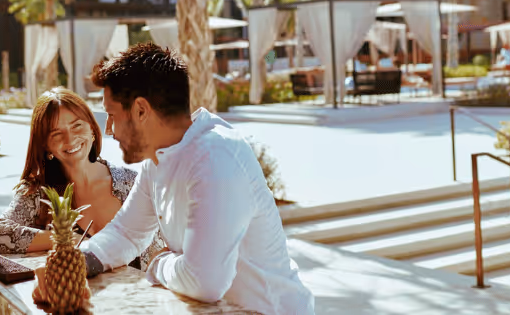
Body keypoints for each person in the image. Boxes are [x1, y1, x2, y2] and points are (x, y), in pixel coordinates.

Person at [34, 43, 314, 315]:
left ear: (141, 111)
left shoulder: (216, 158)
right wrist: (71, 265)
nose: (109, 130)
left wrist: (158, 264)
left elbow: (204, 283)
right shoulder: (157, 161)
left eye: (112, 115)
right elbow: (126, 233)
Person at [0, 87, 163, 270]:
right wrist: (63, 239)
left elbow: (162, 251)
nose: (70, 140)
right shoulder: (38, 193)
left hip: (137, 297)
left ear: (92, 128)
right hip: (71, 295)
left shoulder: (132, 183)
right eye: (56, 133)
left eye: (77, 126)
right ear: (45, 145)